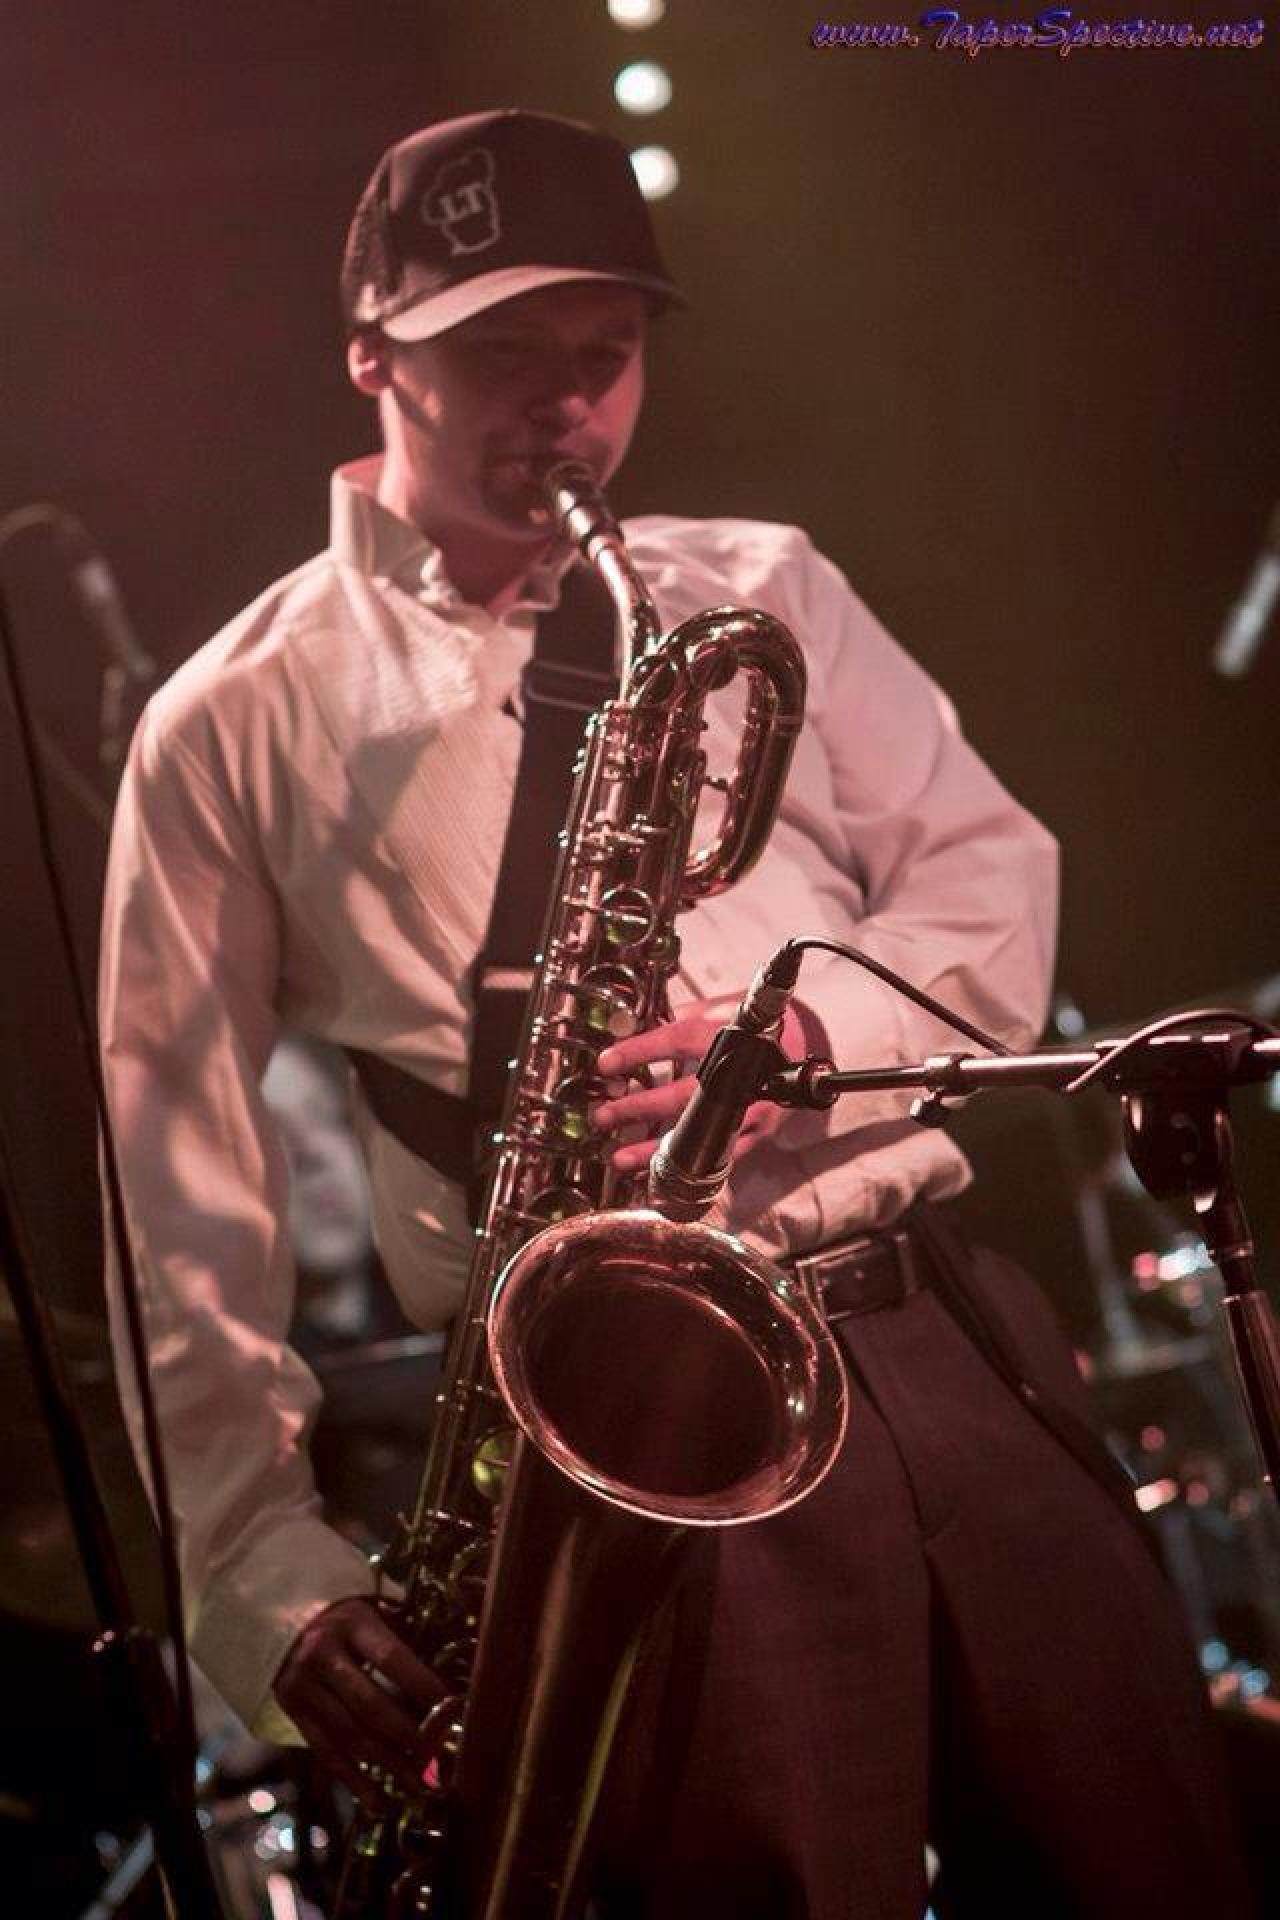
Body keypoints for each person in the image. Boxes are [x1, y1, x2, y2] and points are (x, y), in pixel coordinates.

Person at [98, 109, 1255, 1916]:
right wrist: (263, 1578)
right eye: (505, 352)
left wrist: (816, 1042)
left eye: (606, 354)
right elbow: (172, 1198)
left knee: (1158, 1862)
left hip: (941, 1332)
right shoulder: (229, 720)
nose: (566, 406)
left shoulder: (759, 581)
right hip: (630, 1426)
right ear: (371, 351)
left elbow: (992, 878)